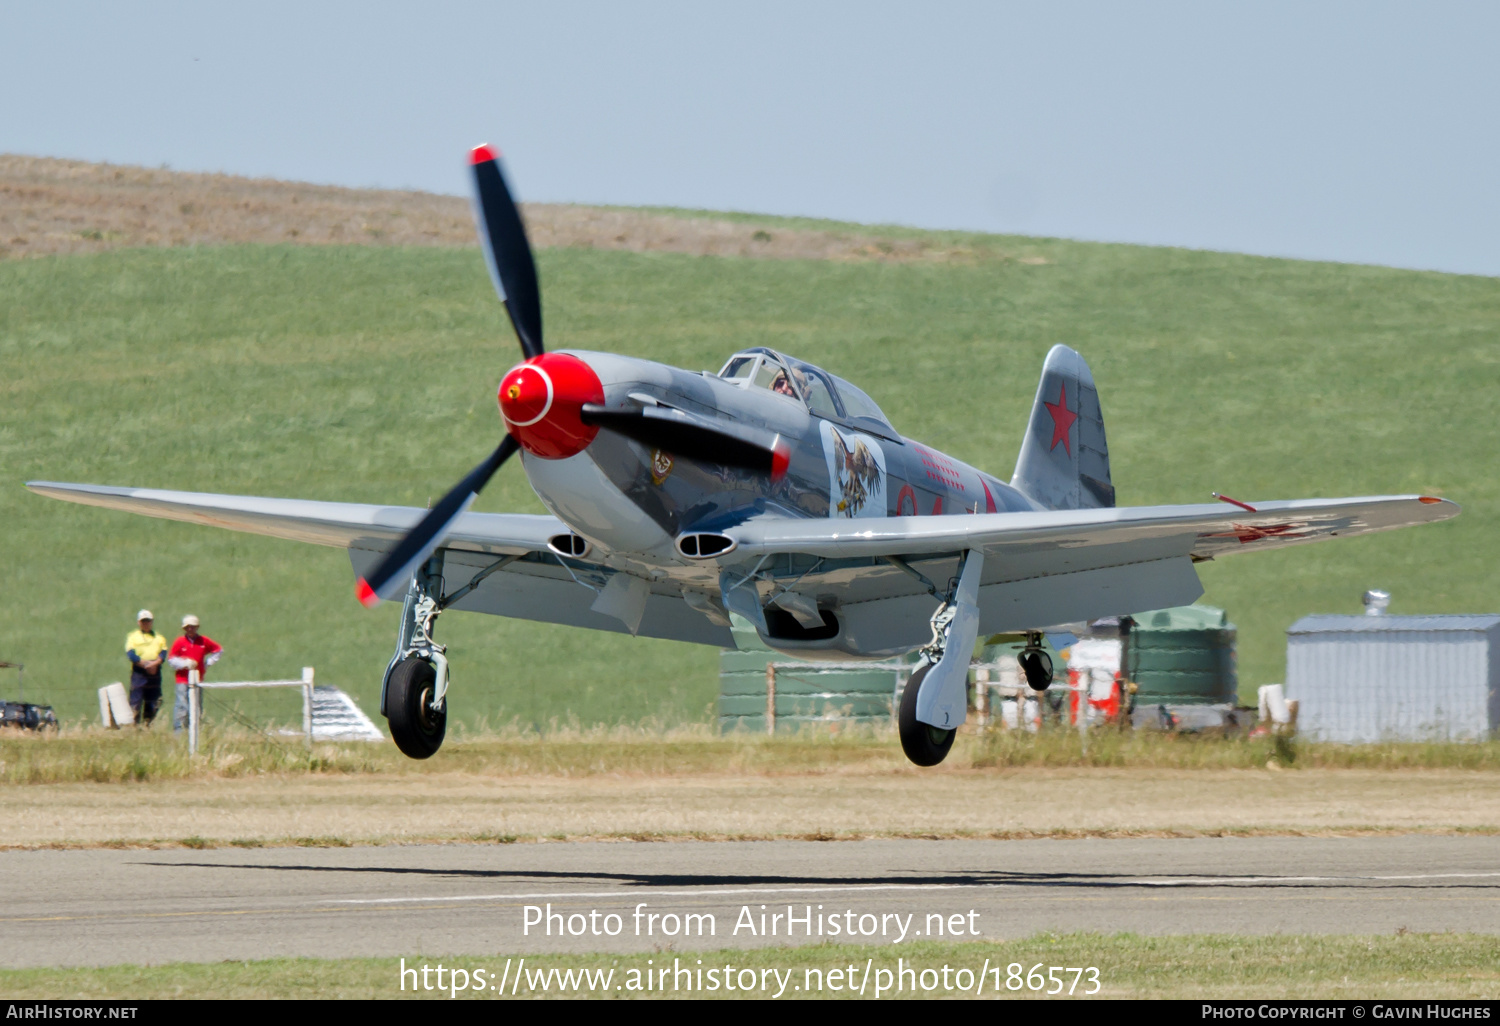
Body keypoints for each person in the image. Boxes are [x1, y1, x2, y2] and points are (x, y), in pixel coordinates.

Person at [169, 615, 223, 733]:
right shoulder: (180, 642)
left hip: (198, 680)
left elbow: (218, 650)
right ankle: (178, 732)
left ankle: (194, 732)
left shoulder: (203, 641)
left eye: (192, 627)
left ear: (197, 627)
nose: (190, 629)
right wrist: (184, 663)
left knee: (196, 707)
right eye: (188, 627)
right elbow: (171, 660)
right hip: (182, 680)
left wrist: (207, 664)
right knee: (182, 707)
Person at [124, 610, 170, 725]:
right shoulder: (133, 637)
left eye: (148, 621)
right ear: (139, 622)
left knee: (153, 701)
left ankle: (147, 726)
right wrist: (145, 665)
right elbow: (131, 654)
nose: (146, 623)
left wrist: (154, 664)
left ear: (152, 621)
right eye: (143, 621)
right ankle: (133, 726)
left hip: (155, 672)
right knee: (136, 701)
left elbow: (163, 654)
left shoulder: (159, 638)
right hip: (139, 672)